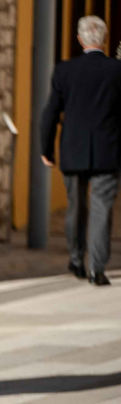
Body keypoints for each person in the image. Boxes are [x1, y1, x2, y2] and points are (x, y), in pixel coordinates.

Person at [41, 15, 121, 286]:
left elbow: (51, 112)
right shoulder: (117, 70)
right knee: (102, 210)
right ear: (105, 40)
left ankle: (76, 260)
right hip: (108, 152)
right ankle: (97, 270)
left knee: (76, 207)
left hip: (73, 151)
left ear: (79, 39)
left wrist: (46, 148)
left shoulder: (65, 70)